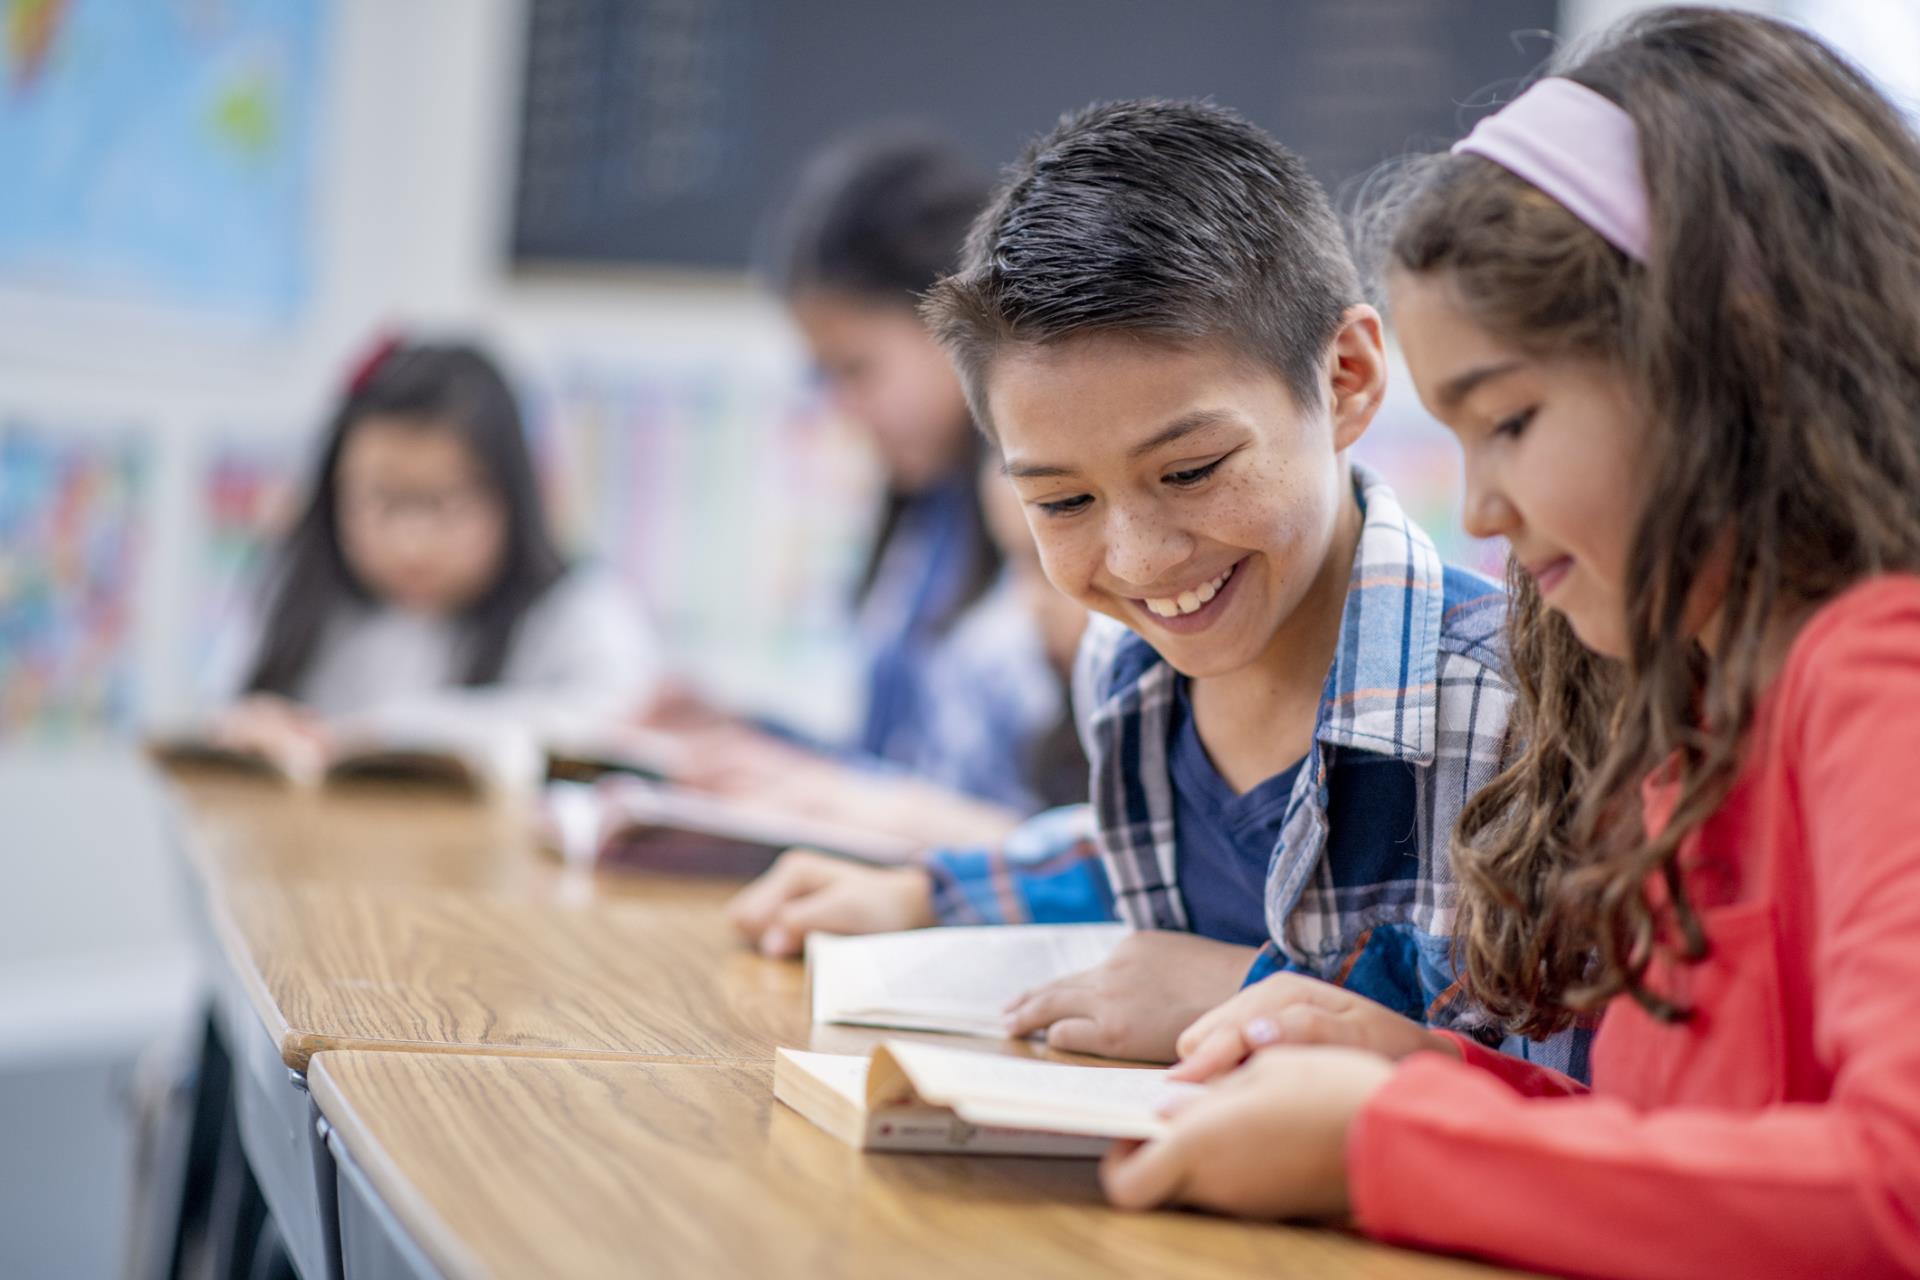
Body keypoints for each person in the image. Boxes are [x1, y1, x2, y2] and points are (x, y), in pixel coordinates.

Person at [1104, 11, 1920, 1277]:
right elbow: (1689, 1161)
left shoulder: (1883, 669)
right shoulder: (1696, 707)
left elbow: (1892, 1193)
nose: (1479, 510)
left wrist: (1388, 1138)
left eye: (1514, 419)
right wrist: (1426, 1068)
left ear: (1728, 354)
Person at [731, 101, 1581, 1076]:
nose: (1137, 560)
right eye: (1061, 500)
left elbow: (1564, 1070)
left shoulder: (1517, 707)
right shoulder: (1127, 663)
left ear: (1345, 377)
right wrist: (926, 894)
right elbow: (1132, 859)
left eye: (1190, 471)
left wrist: (1244, 992)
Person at [210, 338, 654, 770]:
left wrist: (390, 734)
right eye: (382, 498)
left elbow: (621, 734)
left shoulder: (581, 614)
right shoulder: (293, 600)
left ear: (512, 495)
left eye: (445, 501)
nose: (411, 542)